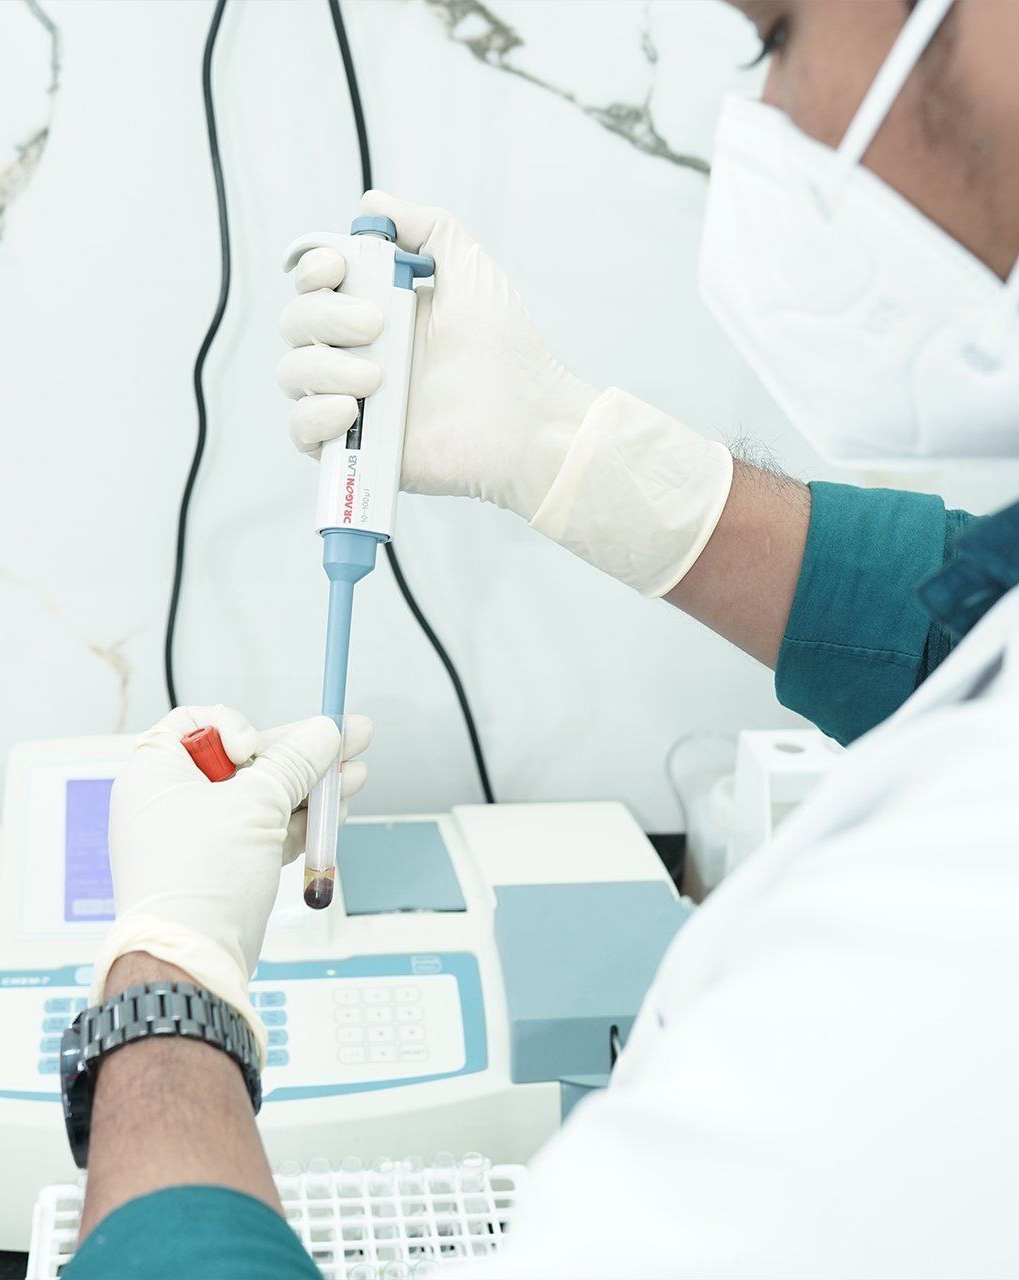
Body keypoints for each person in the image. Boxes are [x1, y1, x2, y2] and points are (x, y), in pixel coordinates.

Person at [65, 0, 1019, 1275]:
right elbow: (973, 627)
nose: (771, 121)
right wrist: (580, 456)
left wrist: (164, 985)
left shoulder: (942, 949)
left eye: (772, 38)